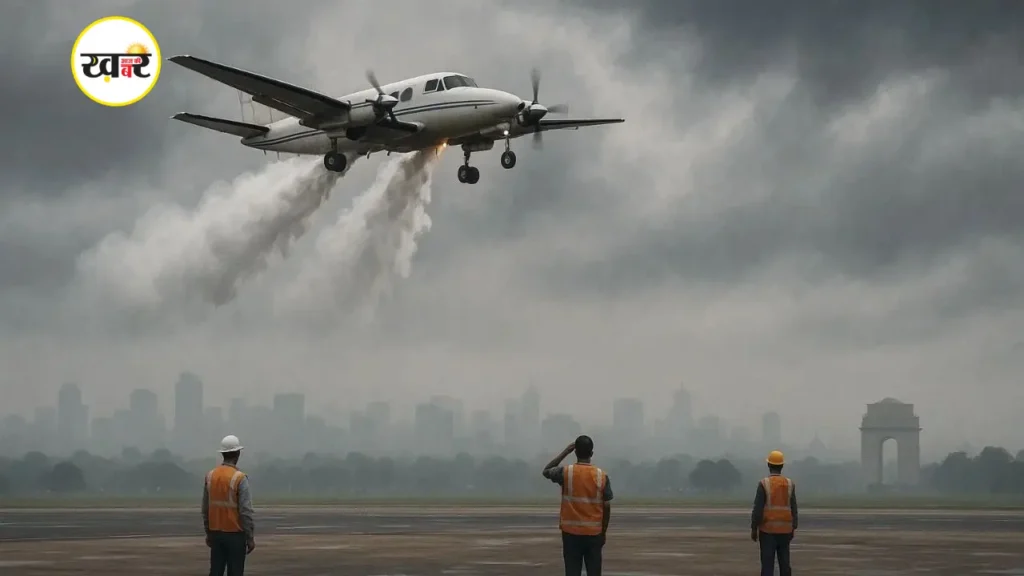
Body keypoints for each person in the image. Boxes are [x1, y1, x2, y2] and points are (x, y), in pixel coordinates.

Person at [542, 435, 613, 576]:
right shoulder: (601, 476)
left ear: (575, 452)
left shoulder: (566, 473)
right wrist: (603, 532)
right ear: (591, 453)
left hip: (571, 534)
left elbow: (546, 471)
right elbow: (607, 507)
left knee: (572, 572)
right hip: (594, 534)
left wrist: (565, 452)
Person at [203, 434, 256, 576]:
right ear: (238, 453)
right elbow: (245, 511)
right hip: (235, 535)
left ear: (223, 454)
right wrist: (250, 537)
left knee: (215, 571)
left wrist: (208, 533)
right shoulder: (239, 478)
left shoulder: (210, 476)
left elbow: (205, 509)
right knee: (235, 572)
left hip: (216, 534)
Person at [750, 450, 798, 576]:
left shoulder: (764, 484)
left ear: (768, 465)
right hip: (785, 531)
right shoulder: (789, 484)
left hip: (768, 530)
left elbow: (758, 509)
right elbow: (793, 507)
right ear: (782, 466)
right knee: (785, 564)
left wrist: (754, 528)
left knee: (767, 565)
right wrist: (793, 527)